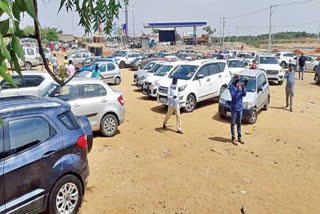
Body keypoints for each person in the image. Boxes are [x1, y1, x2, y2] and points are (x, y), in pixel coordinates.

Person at [229, 75, 246, 146]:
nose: (238, 81)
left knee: (239, 123)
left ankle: (239, 136)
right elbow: (233, 96)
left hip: (240, 107)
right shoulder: (231, 86)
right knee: (233, 123)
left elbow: (244, 94)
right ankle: (233, 137)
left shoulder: (241, 85)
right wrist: (237, 90)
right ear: (234, 79)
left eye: (238, 79)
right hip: (234, 108)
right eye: (236, 79)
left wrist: (243, 87)